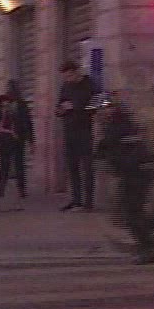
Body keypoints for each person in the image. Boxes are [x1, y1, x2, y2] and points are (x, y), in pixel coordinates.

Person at [96, 88, 154, 263]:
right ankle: (147, 246)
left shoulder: (123, 125)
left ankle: (149, 248)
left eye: (104, 108)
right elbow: (108, 148)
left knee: (133, 212)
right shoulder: (113, 125)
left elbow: (133, 151)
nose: (101, 113)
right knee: (130, 211)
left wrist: (119, 163)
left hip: (137, 173)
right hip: (131, 173)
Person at [57, 59, 100, 211]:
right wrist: (61, 110)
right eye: (65, 77)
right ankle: (76, 200)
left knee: (87, 167)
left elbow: (100, 104)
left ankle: (88, 202)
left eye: (69, 76)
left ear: (76, 72)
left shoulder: (90, 85)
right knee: (72, 167)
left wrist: (76, 106)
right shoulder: (65, 87)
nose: (67, 79)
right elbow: (59, 106)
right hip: (69, 130)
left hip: (85, 130)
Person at [0, 82, 34, 201]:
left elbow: (27, 122)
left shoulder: (21, 104)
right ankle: (3, 187)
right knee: (6, 163)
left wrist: (30, 140)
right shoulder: (0, 102)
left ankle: (19, 189)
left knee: (17, 164)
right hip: (4, 138)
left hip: (16, 138)